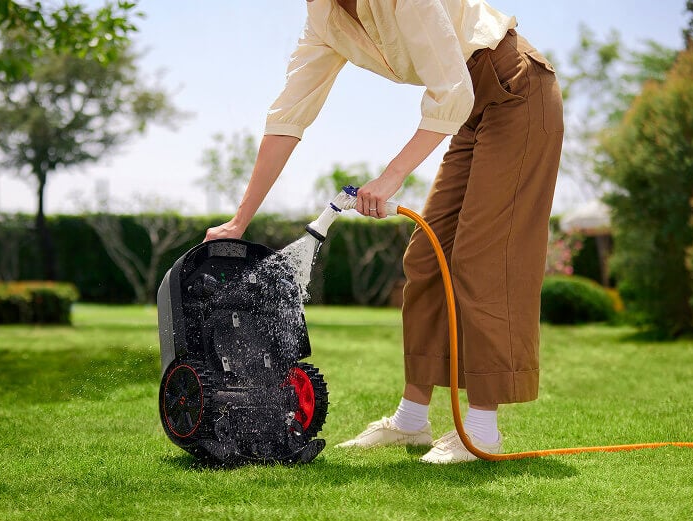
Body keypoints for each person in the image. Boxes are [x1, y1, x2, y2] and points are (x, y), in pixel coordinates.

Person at [204, 0, 564, 464]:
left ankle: (480, 432)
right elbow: (289, 114)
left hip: (515, 89)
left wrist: (392, 176)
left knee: (483, 260)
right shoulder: (325, 19)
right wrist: (240, 220)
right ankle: (411, 421)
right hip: (470, 109)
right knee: (425, 258)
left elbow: (451, 89)